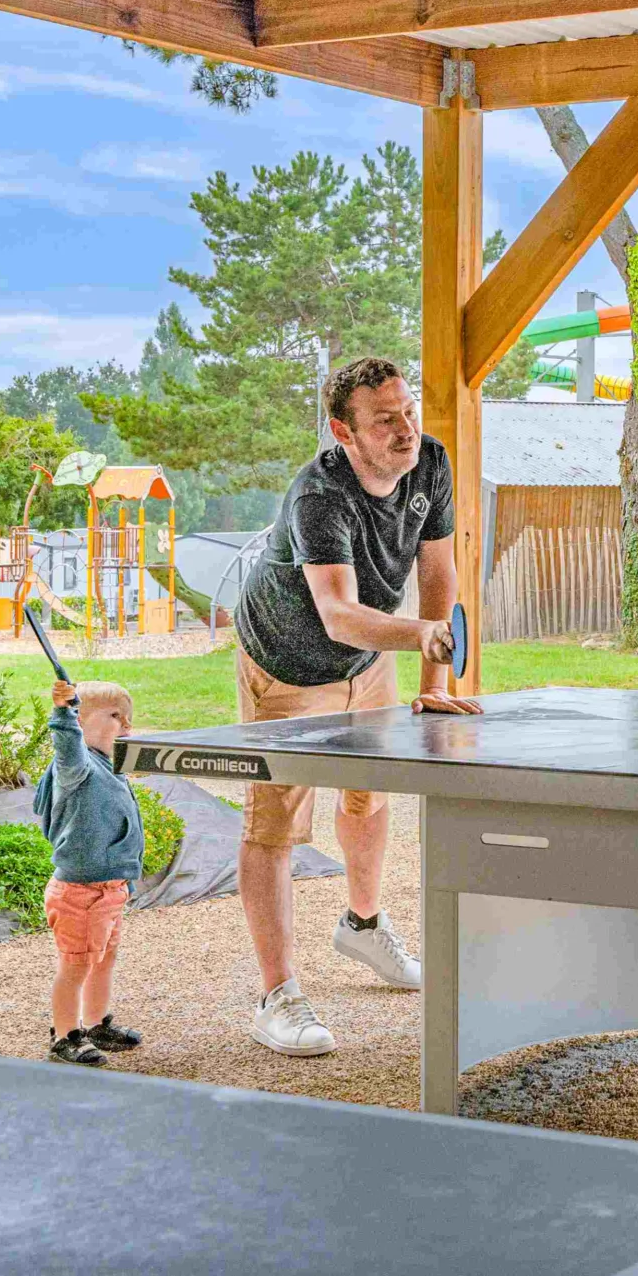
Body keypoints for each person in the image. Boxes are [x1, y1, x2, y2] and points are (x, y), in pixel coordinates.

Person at [231, 356, 482, 1058]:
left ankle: (363, 926)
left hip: (368, 658)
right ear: (345, 430)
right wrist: (423, 634)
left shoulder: (429, 461)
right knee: (275, 824)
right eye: (385, 419)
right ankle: (275, 996)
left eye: (408, 411)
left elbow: (437, 568)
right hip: (287, 660)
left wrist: (433, 673)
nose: (406, 429)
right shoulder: (319, 494)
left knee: (370, 797)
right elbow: (338, 613)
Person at [36, 678, 144, 1067]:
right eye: (117, 717)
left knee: (103, 959)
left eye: (129, 719)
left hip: (110, 889)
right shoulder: (76, 769)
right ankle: (65, 1035)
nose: (127, 726)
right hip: (81, 892)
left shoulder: (109, 768)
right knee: (77, 964)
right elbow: (66, 746)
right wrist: (62, 712)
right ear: (81, 721)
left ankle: (96, 1023)